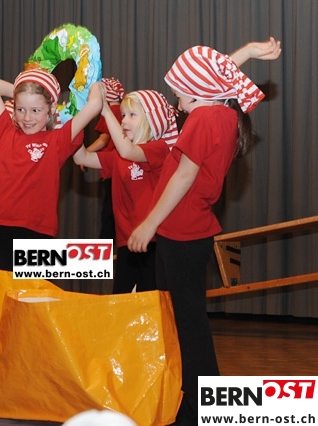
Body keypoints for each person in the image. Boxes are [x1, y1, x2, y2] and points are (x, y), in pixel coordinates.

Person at [127, 39, 281, 425]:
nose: (178, 105)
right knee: (182, 320)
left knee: (188, 323)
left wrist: (149, 223)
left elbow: (184, 175)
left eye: (181, 96)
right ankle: (188, 401)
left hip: (182, 232)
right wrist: (247, 52)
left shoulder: (206, 118)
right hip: (183, 233)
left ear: (199, 92)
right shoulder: (222, 111)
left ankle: (197, 408)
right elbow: (215, 75)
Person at [0, 69, 104, 271]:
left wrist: (94, 86)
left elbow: (95, 104)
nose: (27, 117)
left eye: (36, 110)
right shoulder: (5, 131)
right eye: (20, 109)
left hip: (36, 231)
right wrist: (28, 91)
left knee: (32, 289)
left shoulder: (57, 141)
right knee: (3, 287)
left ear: (51, 109)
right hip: (1, 227)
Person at [74, 89, 178, 294]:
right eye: (122, 115)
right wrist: (75, 123)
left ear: (151, 120)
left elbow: (128, 150)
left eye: (132, 115)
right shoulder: (118, 157)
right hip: (126, 241)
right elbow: (81, 158)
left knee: (152, 301)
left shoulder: (159, 149)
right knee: (122, 300)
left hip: (153, 241)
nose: (123, 121)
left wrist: (105, 110)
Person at [80, 77, 126, 241]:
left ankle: (107, 245)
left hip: (111, 168)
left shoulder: (111, 112)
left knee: (109, 211)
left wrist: (87, 153)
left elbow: (104, 139)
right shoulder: (122, 110)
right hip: (119, 167)